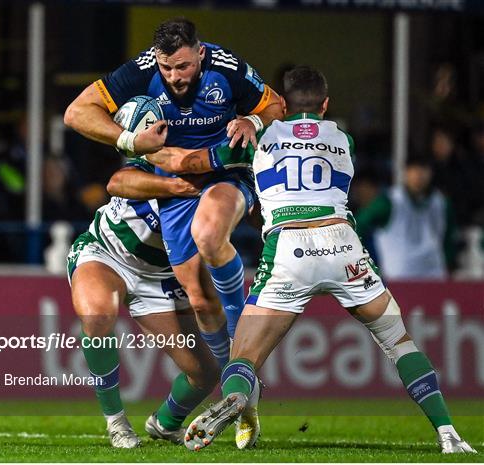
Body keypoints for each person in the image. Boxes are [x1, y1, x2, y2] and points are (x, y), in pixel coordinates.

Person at [144, 65, 476, 454]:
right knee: (398, 341)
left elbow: (195, 163)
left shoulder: (260, 136)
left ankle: (237, 398)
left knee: (244, 356)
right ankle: (448, 434)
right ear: (326, 104)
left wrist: (153, 146)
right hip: (342, 244)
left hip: (289, 246)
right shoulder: (344, 139)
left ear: (281, 104)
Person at [64, 18, 283, 363]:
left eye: (183, 66)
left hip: (223, 168)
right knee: (199, 299)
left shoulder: (227, 68)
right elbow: (76, 113)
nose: (175, 76)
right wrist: (131, 139)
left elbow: (275, 106)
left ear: (200, 52)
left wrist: (252, 120)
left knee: (210, 234)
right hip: (177, 180)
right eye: (167, 68)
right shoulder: (141, 71)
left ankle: (244, 346)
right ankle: (234, 376)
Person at [67, 158, 219, 448]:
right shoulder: (164, 158)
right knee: (98, 316)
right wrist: (175, 185)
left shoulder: (223, 188)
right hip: (107, 252)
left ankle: (165, 423)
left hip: (161, 278)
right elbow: (117, 182)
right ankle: (116, 422)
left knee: (205, 373)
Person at [356, 156, 456, 280]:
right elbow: (358, 226)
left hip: (434, 276)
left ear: (430, 173)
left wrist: (449, 264)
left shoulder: (441, 203)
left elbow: (449, 239)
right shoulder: (389, 202)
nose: (418, 175)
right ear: (405, 173)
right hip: (399, 279)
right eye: (413, 170)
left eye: (423, 170)